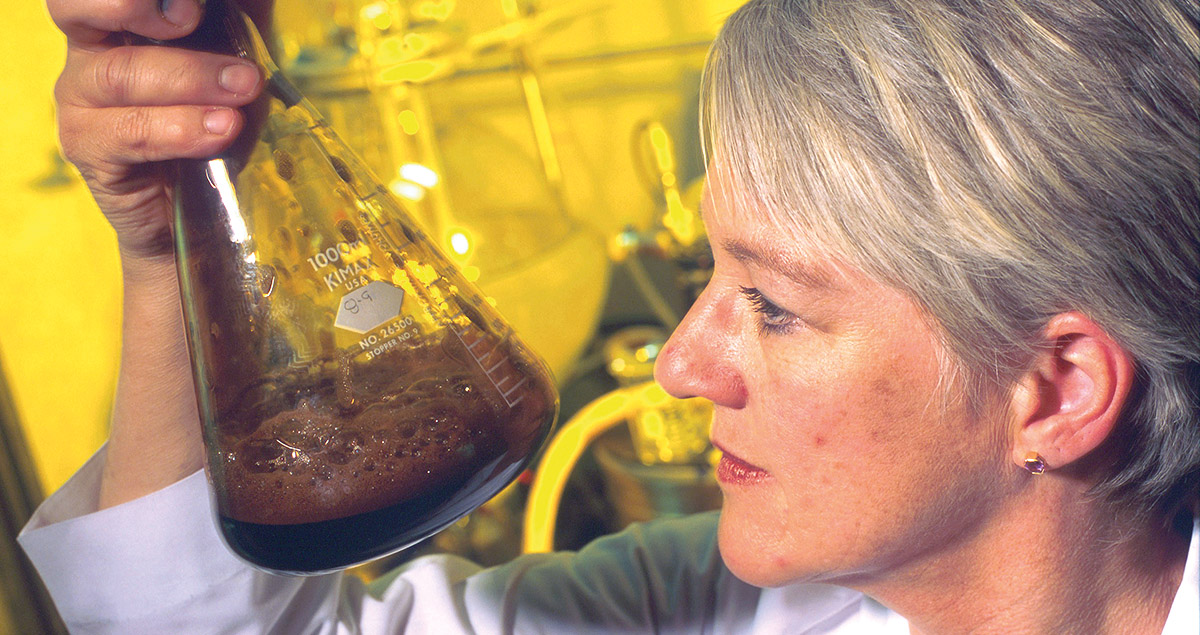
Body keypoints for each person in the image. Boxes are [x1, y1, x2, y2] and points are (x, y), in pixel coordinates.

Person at [21, 0, 1199, 632]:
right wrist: (169, 241)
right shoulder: (717, 605)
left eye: (773, 306)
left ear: (1056, 387)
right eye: (707, 270)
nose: (681, 364)